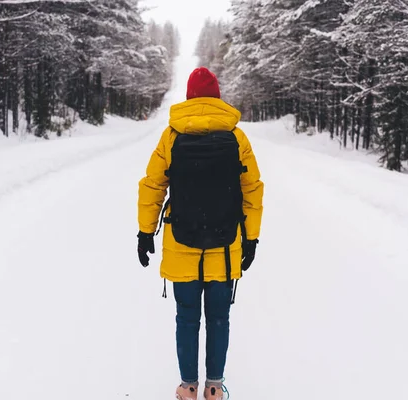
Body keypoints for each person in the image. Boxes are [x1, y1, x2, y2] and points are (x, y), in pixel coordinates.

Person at [137, 67, 264, 400]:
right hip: (225, 246)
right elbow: (252, 189)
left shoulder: (172, 136)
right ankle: (214, 388)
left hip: (182, 243)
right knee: (219, 317)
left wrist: (145, 232)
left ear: (190, 96)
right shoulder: (236, 137)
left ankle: (188, 387)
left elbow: (153, 185)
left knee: (187, 317)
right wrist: (251, 237)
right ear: (217, 96)